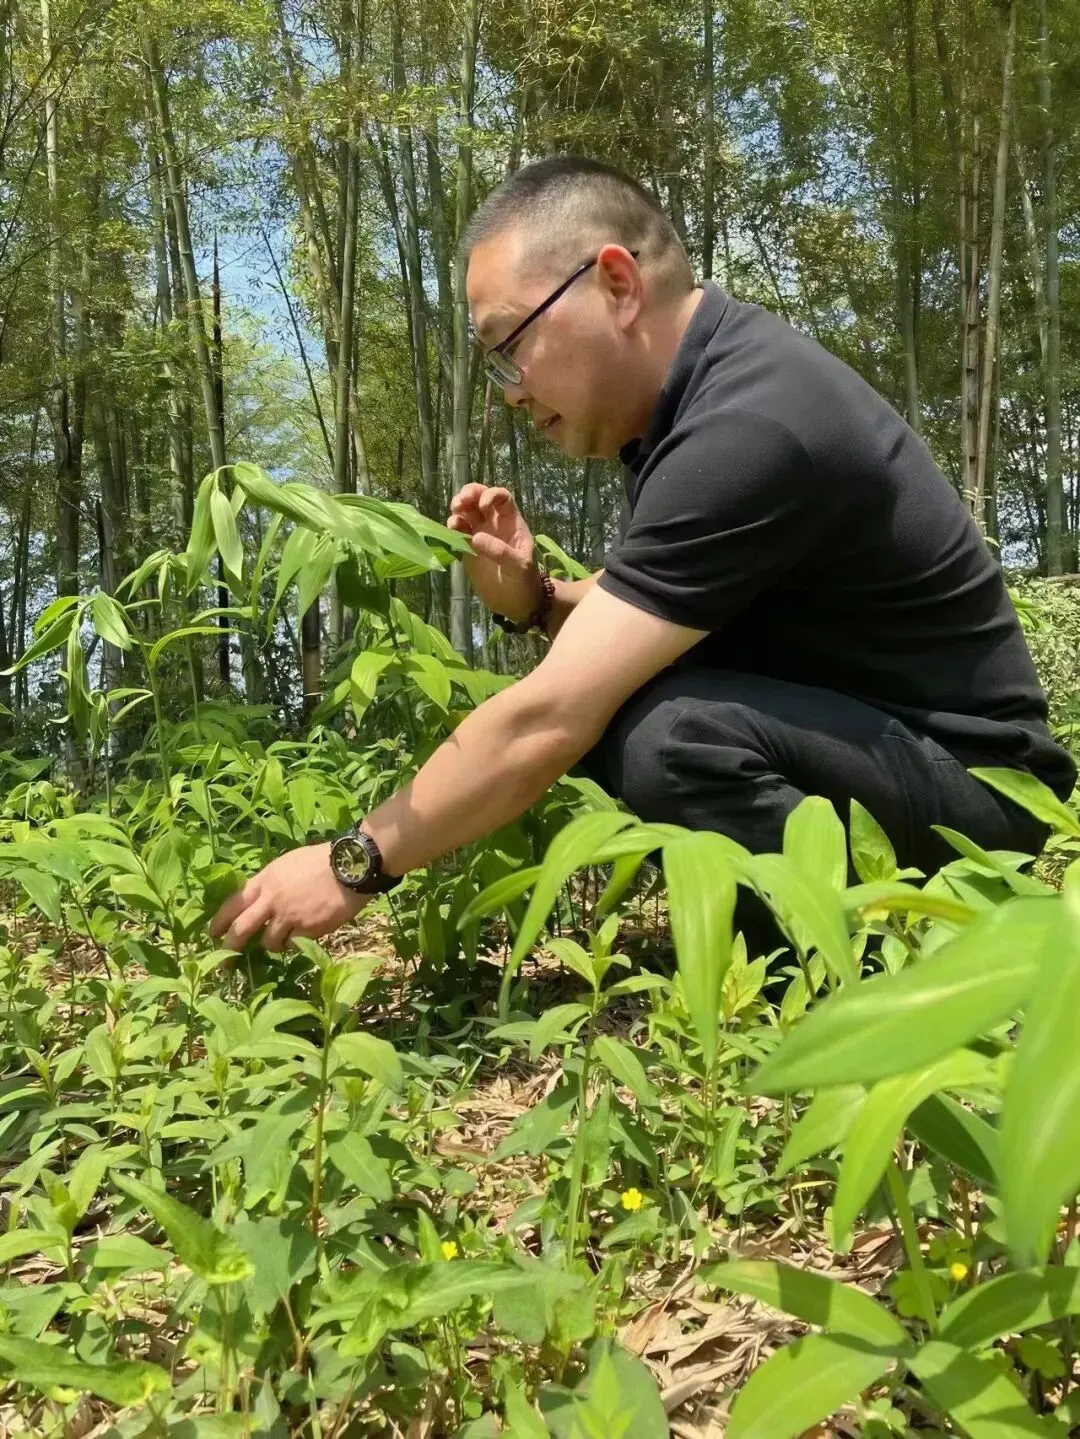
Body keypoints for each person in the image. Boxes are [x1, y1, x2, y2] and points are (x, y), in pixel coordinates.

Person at [210, 154, 1075, 956]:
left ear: (617, 283)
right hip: (888, 748)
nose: (511, 392)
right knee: (640, 708)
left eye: (510, 347)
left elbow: (546, 716)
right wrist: (541, 599)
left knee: (667, 735)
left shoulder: (748, 429)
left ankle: (839, 965)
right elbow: (661, 604)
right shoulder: (711, 391)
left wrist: (352, 862)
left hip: (980, 794)